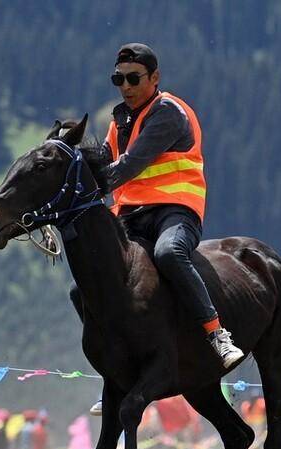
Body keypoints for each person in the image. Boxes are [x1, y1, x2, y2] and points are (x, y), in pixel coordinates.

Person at [79, 43, 242, 415]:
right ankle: (117, 377)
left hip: (175, 212)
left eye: (133, 78)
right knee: (83, 286)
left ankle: (218, 336)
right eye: (118, 79)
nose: (125, 86)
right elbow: (105, 157)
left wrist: (88, 186)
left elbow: (129, 165)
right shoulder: (121, 118)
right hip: (133, 216)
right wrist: (69, 159)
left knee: (169, 253)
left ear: (154, 78)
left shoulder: (167, 112)